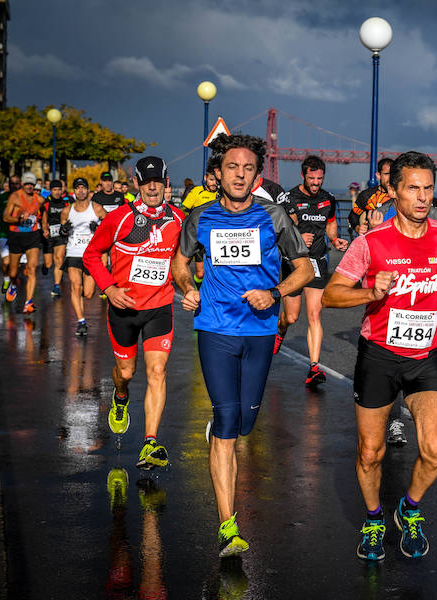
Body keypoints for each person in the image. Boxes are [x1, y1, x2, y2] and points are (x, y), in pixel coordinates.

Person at [171, 133, 312, 558]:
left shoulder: (274, 217)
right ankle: (228, 525)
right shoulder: (199, 217)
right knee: (228, 419)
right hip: (215, 328)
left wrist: (275, 292)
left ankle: (224, 429)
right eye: (232, 167)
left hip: (259, 332)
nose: (240, 174)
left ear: (256, 175)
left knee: (246, 423)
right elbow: (180, 263)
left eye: (248, 168)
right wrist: (188, 287)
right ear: (218, 173)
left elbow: (304, 269)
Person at [322, 150, 437, 561]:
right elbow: (331, 296)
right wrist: (372, 292)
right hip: (380, 356)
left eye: (428, 189)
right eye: (412, 189)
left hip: (426, 356)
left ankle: (410, 507)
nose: (422, 198)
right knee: (371, 452)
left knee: (435, 448)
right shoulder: (371, 243)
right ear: (394, 191)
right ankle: (372, 520)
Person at [83, 156, 185, 471]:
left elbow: (187, 258)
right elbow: (92, 254)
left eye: (158, 181)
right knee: (126, 373)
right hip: (123, 308)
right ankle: (121, 395)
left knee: (157, 372)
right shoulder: (119, 218)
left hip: (160, 306)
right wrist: (109, 289)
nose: (152, 187)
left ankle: (149, 443)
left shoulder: (179, 219)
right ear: (137, 184)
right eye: (146, 181)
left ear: (166, 183)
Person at [275, 155, 349, 388]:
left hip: (318, 261)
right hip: (294, 263)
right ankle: (281, 329)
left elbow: (330, 224)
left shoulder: (328, 200)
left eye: (319, 178)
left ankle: (314, 367)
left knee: (315, 315)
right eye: (312, 178)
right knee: (292, 316)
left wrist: (335, 239)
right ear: (303, 176)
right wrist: (297, 237)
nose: (316, 183)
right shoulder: (289, 198)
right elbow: (280, 229)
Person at [60, 177, 107, 334]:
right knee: (75, 286)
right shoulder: (67, 211)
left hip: (91, 255)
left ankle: (80, 308)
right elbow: (61, 232)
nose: (80, 190)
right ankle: (81, 321)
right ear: (74, 192)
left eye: (83, 188)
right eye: (77, 188)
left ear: (88, 191)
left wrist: (99, 227)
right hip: (73, 253)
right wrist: (64, 230)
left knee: (88, 293)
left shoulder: (97, 209)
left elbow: (109, 228)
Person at [3, 172, 45, 312]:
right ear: (22, 184)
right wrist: (19, 219)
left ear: (34, 186)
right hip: (16, 236)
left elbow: (43, 213)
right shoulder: (15, 197)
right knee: (14, 272)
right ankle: (13, 285)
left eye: (31, 185)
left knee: (32, 269)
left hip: (32, 236)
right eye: (26, 184)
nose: (29, 187)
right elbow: (6, 218)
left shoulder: (39, 200)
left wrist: (44, 227)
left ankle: (28, 302)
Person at [181, 161, 221, 287]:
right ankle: (199, 295)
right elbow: (183, 211)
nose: (214, 183)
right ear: (205, 178)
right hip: (199, 238)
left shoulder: (222, 193)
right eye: (211, 179)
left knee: (217, 273)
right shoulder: (196, 191)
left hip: (217, 238)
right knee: (200, 273)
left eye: (216, 180)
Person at [348, 158, 393, 235]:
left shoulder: (402, 195)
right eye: (386, 174)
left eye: (393, 174)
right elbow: (353, 216)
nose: (390, 178)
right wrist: (358, 228)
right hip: (373, 241)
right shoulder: (367, 195)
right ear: (378, 175)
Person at [42, 179, 70, 297]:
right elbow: (43, 220)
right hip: (48, 235)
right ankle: (45, 265)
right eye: (55, 190)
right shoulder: (46, 203)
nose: (57, 192)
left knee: (59, 259)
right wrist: (45, 229)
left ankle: (56, 286)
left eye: (59, 189)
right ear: (50, 191)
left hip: (60, 236)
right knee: (49, 264)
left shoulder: (66, 204)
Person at [0, 175, 19, 293]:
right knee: (6, 261)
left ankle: (13, 281)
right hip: (4, 232)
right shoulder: (2, 197)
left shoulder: (22, 198)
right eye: (12, 183)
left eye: (16, 183)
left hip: (18, 233)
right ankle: (6, 280)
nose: (14, 186)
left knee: (17, 264)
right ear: (9, 185)